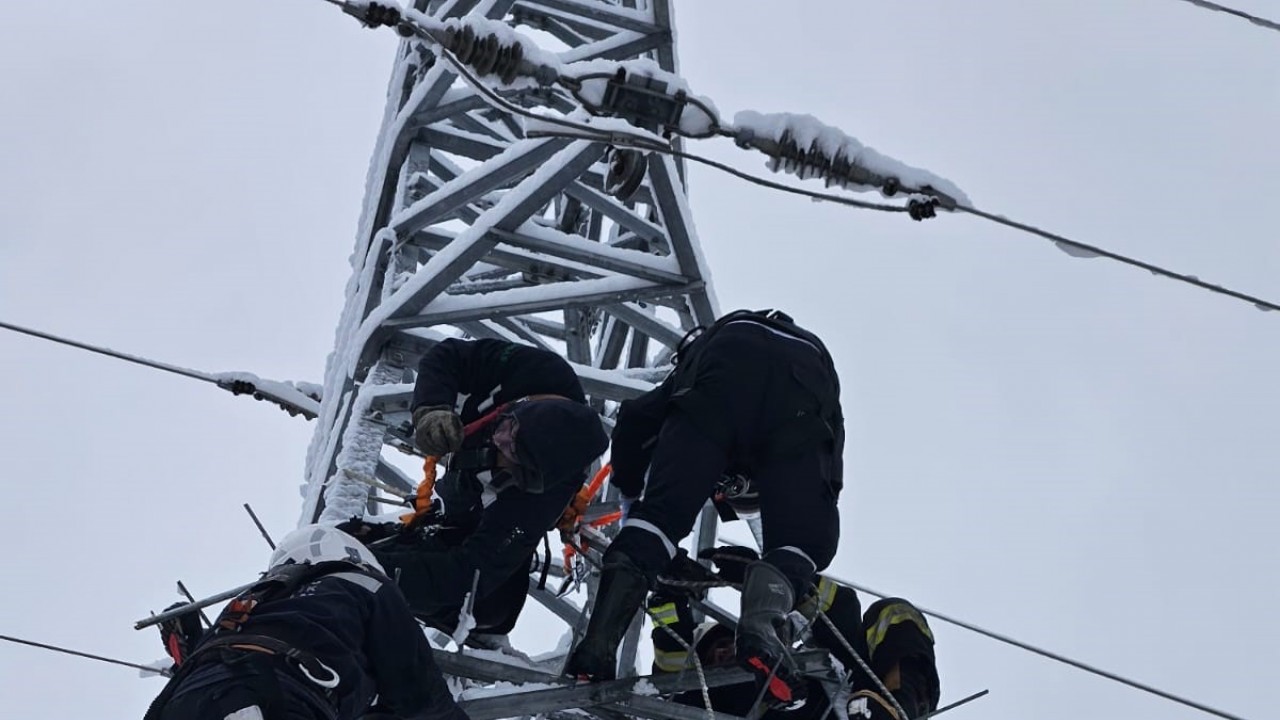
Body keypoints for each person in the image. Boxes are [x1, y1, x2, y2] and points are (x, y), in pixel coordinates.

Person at [565, 308, 845, 708]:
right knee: (804, 544)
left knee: (660, 518)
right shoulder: (794, 433)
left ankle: (598, 645)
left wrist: (633, 502)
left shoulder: (695, 373)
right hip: (806, 381)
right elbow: (826, 471)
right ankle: (762, 627)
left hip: (725, 363)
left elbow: (635, 420)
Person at [350, 338, 608, 641]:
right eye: (504, 435)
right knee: (356, 541)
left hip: (477, 521)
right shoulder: (538, 371)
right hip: (460, 487)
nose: (498, 448)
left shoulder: (538, 501)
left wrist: (368, 570)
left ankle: (368, 586)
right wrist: (432, 406)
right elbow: (447, 356)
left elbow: (468, 576)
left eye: (511, 459)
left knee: (489, 610)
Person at [143, 524, 468, 720]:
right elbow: (419, 692)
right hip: (278, 693)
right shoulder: (364, 583)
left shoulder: (257, 600)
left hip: (182, 699)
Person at [648, 552, 940, 720]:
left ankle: (896, 710)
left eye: (727, 643)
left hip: (856, 706)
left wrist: (765, 579)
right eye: (712, 653)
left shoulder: (813, 667)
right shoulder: (701, 701)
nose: (724, 653)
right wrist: (666, 595)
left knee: (893, 614)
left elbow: (839, 608)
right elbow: (669, 661)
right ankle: (782, 693)